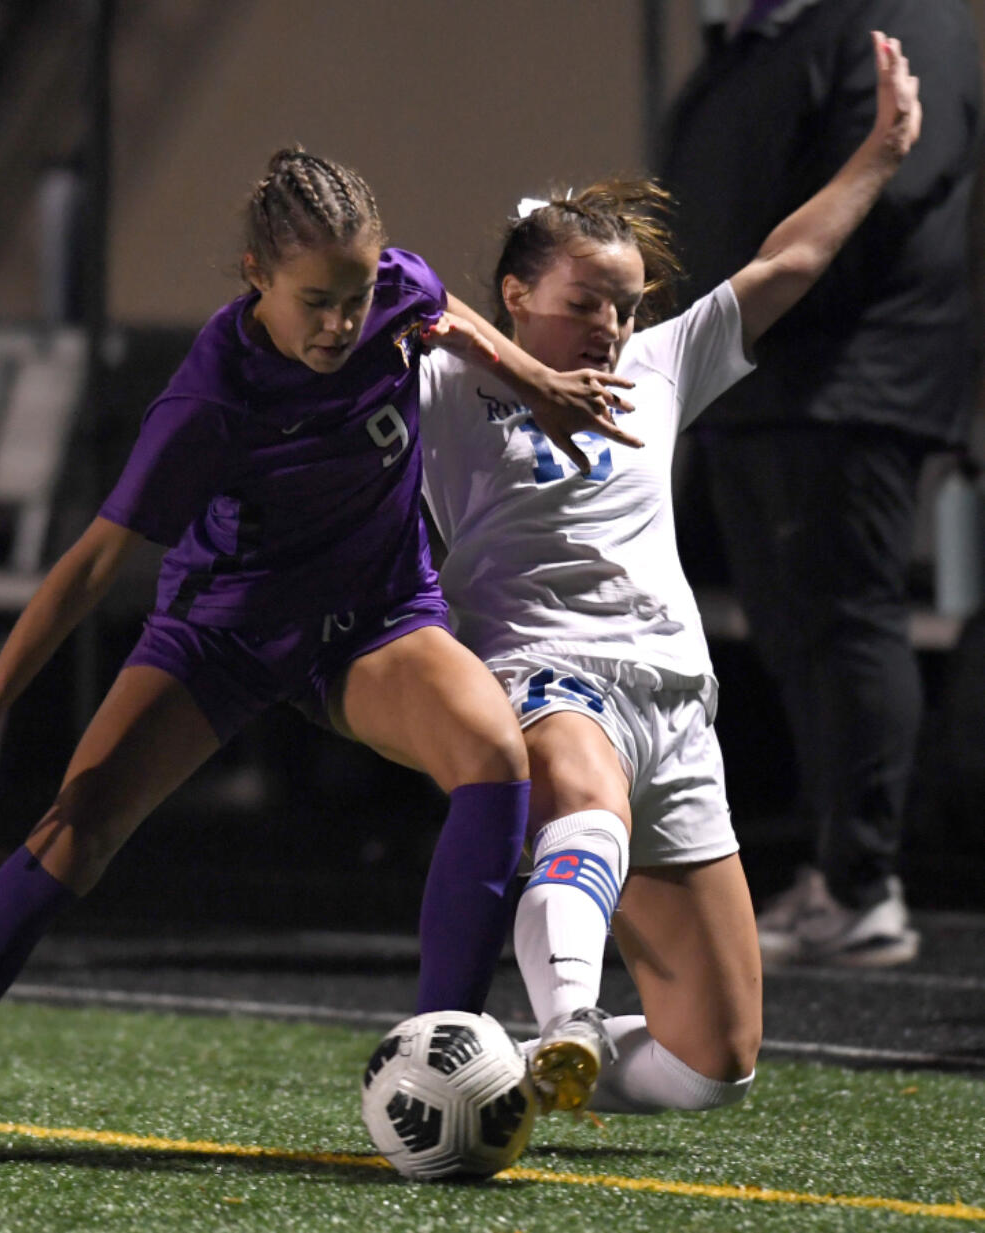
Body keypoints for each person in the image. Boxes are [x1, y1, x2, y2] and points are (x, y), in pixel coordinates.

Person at [0, 147, 642, 1167]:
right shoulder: (210, 399)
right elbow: (88, 568)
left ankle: (440, 1059)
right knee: (72, 838)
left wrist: (529, 377)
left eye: (354, 298)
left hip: (375, 621)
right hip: (227, 635)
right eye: (315, 302)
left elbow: (439, 313)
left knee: (491, 754)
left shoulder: (392, 288)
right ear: (254, 273)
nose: (341, 325)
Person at [417, 31, 920, 1116]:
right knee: (584, 809)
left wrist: (878, 152)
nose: (613, 325)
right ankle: (566, 1025)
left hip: (678, 706)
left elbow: (786, 264)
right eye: (587, 299)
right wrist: (506, 362)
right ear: (513, 291)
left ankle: (513, 1073)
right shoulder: (446, 385)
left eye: (628, 302)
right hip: (544, 673)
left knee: (713, 1070)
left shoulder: (654, 368)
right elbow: (372, 286)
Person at [660, 0, 982, 966]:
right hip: (762, 378)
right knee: (799, 626)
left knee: (846, 617)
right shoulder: (761, 34)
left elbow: (897, 183)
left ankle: (861, 883)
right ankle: (837, 870)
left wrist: (757, 308)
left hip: (843, 379)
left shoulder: (896, 16)